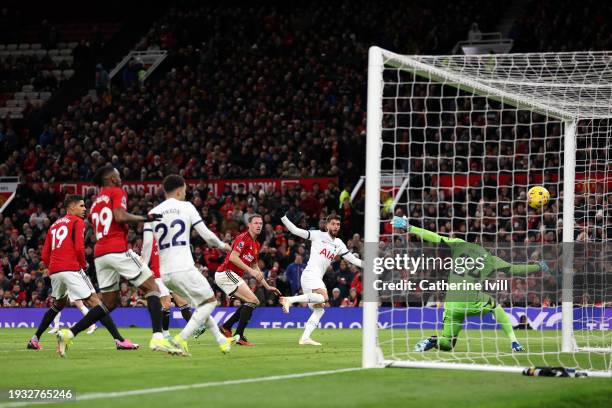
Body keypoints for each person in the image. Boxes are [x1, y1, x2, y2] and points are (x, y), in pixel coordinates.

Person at [56, 165, 179, 356]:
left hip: (100, 254)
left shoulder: (96, 201)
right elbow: (119, 216)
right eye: (118, 175)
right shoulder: (117, 191)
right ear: (111, 179)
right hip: (117, 249)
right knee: (152, 287)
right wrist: (145, 218)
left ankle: (69, 333)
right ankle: (158, 338)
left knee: (108, 303)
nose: (120, 177)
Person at [391, 216, 549, 352]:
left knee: (447, 343)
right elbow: (517, 270)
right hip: (469, 299)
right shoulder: (492, 259)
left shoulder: (460, 244)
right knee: (495, 305)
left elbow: (434, 237)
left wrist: (409, 227)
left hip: (450, 302)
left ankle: (432, 341)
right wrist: (538, 266)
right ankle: (514, 342)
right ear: (492, 246)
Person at [28, 195, 138, 353]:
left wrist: (53, 267)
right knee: (97, 303)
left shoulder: (54, 225)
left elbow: (45, 253)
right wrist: (82, 263)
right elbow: (79, 247)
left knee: (58, 305)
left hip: (55, 270)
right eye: (81, 206)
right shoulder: (77, 222)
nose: (84, 208)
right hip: (71, 267)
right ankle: (120, 340)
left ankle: (34, 339)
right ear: (71, 208)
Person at [143, 174, 235, 356]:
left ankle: (220, 339)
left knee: (202, 304)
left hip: (165, 275)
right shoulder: (186, 207)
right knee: (211, 301)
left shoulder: (153, 213)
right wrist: (222, 245)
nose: (186, 193)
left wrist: (144, 270)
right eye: (185, 190)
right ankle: (180, 339)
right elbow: (206, 235)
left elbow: (147, 245)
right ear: (179, 190)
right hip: (183, 267)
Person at [279, 214, 362, 346]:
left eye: (338, 224)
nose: (336, 226)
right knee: (323, 297)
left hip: (316, 278)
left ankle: (305, 338)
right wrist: (283, 217)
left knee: (320, 309)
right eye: (333, 224)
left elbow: (354, 260)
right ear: (327, 225)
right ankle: (289, 299)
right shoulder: (317, 235)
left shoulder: (339, 243)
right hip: (310, 274)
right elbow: (295, 230)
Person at [215, 214, 281, 346]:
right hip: (225, 273)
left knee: (250, 302)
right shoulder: (243, 238)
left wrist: (267, 286)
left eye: (261, 223)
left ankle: (226, 327)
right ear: (249, 225)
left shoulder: (256, 244)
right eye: (256, 223)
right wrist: (251, 271)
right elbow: (233, 257)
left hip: (232, 275)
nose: (259, 226)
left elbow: (255, 266)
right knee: (253, 300)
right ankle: (238, 336)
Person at [140, 231, 194, 339]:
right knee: (166, 304)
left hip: (170, 275)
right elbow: (143, 258)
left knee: (182, 302)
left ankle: (193, 328)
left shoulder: (169, 242)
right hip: (158, 277)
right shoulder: (150, 242)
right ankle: (165, 334)